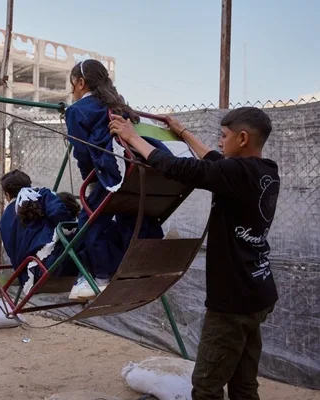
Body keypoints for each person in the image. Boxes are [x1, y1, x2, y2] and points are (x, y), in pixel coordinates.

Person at [109, 107, 279, 400]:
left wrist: (133, 137)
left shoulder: (235, 173)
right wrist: (183, 132)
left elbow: (178, 168)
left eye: (223, 136)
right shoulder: (266, 171)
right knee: (243, 383)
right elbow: (214, 161)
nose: (219, 142)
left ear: (242, 138)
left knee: (206, 387)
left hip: (232, 303)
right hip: (258, 292)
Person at [65, 59, 171, 301]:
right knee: (133, 215)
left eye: (72, 85)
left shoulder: (77, 111)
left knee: (89, 221)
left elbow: (82, 153)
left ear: (80, 83)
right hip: (139, 169)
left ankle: (100, 277)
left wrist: (90, 180)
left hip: (113, 170)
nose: (72, 91)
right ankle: (146, 263)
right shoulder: (120, 106)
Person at [0, 170, 82, 295]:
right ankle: (100, 275)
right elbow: (62, 218)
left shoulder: (4, 219)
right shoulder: (41, 195)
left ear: (7, 194)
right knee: (90, 232)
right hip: (56, 263)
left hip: (30, 276)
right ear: (29, 184)